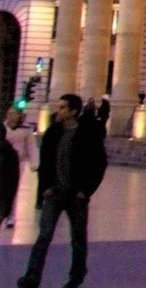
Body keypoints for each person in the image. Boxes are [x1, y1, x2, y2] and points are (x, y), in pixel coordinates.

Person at [18, 94, 107, 288]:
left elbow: (99, 164)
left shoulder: (87, 133)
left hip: (76, 195)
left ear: (73, 111)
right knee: (44, 235)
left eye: (62, 108)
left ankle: (76, 275)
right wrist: (45, 188)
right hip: (55, 193)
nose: (58, 111)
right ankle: (32, 276)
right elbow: (46, 163)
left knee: (78, 238)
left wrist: (86, 190)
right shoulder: (52, 133)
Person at [4, 107, 39, 227]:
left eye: (14, 113)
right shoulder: (3, 128)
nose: (10, 115)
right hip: (4, 162)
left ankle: (11, 216)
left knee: (13, 189)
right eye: (9, 113)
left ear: (19, 115)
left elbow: (31, 146)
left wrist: (34, 163)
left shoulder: (26, 129)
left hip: (19, 162)